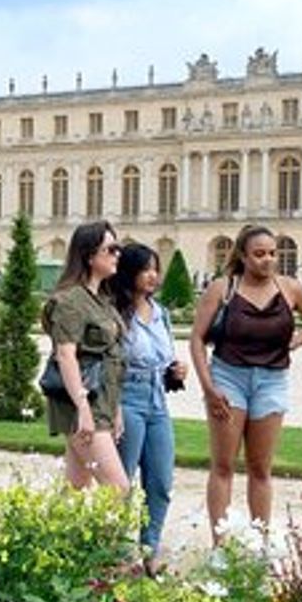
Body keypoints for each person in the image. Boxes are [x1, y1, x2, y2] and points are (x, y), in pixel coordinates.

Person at [189, 226, 302, 529]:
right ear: (243, 256)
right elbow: (197, 339)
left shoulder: (289, 288)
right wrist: (209, 388)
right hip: (228, 377)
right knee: (223, 466)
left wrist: (298, 341)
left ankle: (260, 540)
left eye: (272, 253)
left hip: (271, 381)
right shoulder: (222, 288)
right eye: (259, 254)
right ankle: (221, 545)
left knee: (261, 468)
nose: (268, 259)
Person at [107, 242, 187, 569]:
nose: (153, 275)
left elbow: (164, 357)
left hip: (157, 401)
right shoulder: (115, 313)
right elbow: (109, 364)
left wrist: (176, 370)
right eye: (145, 269)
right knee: (120, 483)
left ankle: (149, 551)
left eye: (156, 269)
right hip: (127, 398)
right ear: (129, 273)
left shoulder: (160, 313)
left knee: (161, 482)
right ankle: (113, 552)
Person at [42, 220, 129, 491]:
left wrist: (116, 409)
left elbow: (111, 358)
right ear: (89, 256)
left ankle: (44, 521)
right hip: (83, 404)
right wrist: (83, 409)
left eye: (118, 249)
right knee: (118, 489)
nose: (117, 255)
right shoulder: (70, 301)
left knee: (76, 486)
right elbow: (65, 356)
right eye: (110, 249)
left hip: (101, 402)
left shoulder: (101, 300)